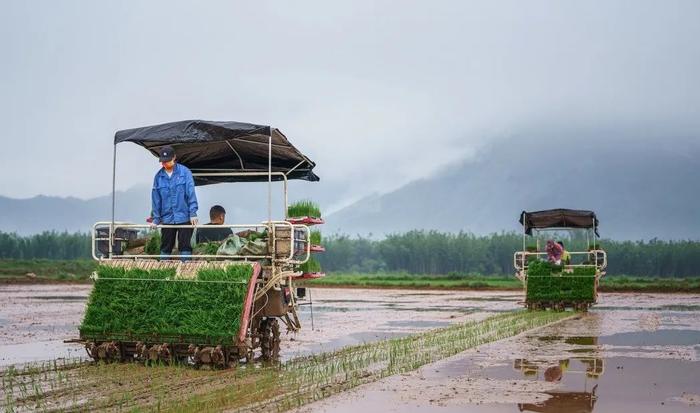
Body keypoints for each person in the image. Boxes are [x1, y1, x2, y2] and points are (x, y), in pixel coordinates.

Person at [151, 146, 199, 259]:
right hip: (167, 218)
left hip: (184, 217)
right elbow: (156, 199)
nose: (165, 163)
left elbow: (191, 193)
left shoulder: (185, 172)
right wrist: (156, 219)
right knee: (166, 245)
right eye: (163, 161)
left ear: (174, 158)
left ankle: (186, 269)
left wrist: (193, 213)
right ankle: (164, 269)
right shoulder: (158, 177)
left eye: (167, 161)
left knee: (185, 245)